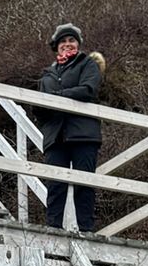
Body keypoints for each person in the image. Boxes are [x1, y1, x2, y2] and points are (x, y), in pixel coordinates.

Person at [37, 23, 105, 232]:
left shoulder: (88, 64)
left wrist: (56, 98)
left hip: (83, 133)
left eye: (72, 40)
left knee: (84, 182)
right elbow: (39, 108)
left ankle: (86, 229)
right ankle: (53, 228)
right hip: (55, 136)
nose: (67, 44)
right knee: (55, 185)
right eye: (63, 41)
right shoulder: (47, 75)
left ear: (78, 44)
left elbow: (87, 90)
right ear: (56, 46)